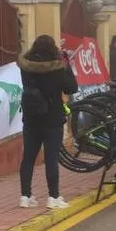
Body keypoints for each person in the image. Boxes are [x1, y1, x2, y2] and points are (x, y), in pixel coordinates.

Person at [18, 35, 79, 209]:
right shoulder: (57, 67)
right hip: (52, 118)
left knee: (28, 157)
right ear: (53, 48)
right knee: (51, 158)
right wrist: (66, 66)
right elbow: (71, 88)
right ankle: (53, 197)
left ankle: (25, 196)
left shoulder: (26, 66)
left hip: (31, 118)